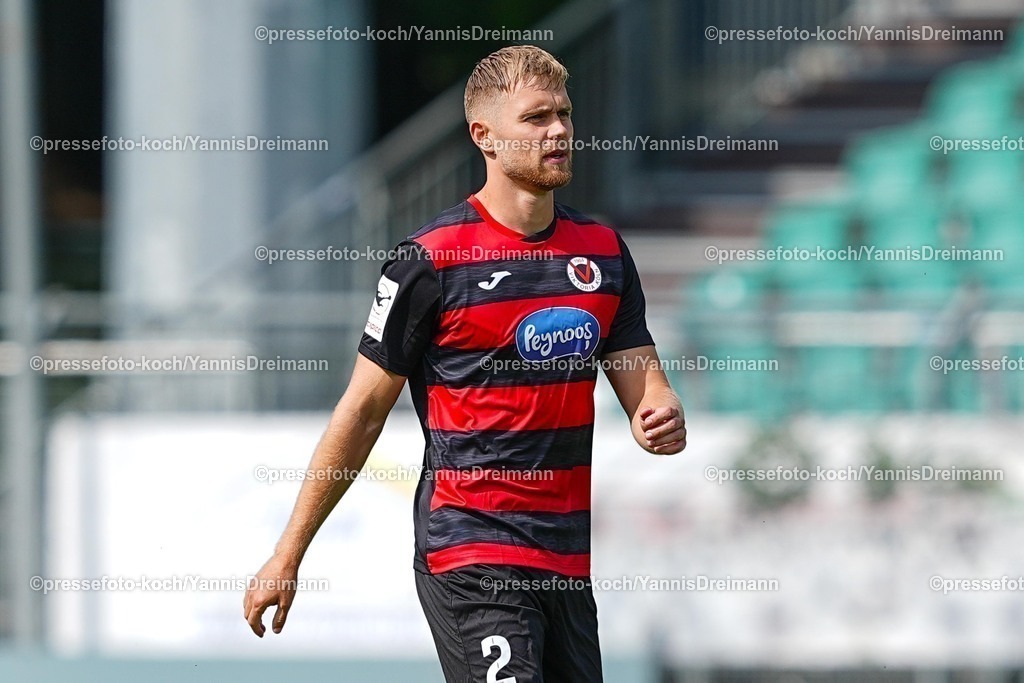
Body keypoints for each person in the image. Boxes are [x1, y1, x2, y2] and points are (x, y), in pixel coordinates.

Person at [244, 44, 686, 682]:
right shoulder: (429, 261)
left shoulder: (603, 253)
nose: (559, 130)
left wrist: (661, 415)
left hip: (565, 560)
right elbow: (363, 411)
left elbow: (648, 389)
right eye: (536, 118)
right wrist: (287, 555)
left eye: (564, 114)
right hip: (469, 546)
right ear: (485, 136)